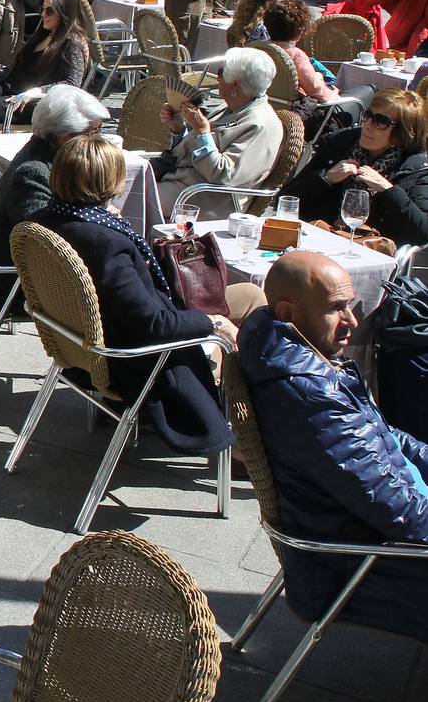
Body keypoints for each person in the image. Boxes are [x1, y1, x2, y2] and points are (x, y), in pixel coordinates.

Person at [238, 251, 428, 642]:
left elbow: (384, 436)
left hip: (370, 534)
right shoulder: (311, 395)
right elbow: (398, 513)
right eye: (336, 308)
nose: (353, 321)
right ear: (288, 313)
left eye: (350, 305)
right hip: (356, 566)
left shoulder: (298, 359)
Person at [40, 135, 256, 455]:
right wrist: (213, 323)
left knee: (250, 295)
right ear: (112, 181)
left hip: (83, 342)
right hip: (140, 360)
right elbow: (154, 325)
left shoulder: (49, 220)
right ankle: (248, 440)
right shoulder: (105, 242)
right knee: (250, 325)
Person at [0, 85, 110, 308]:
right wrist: (101, 216)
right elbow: (44, 243)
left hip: (25, 270)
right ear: (66, 137)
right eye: (93, 131)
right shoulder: (33, 173)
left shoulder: (48, 154)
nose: (99, 138)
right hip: (13, 284)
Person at [279, 89, 428, 246]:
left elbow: (423, 234)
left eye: (380, 121)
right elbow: (286, 202)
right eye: (368, 114)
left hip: (369, 251)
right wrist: (325, 178)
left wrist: (388, 190)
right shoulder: (340, 144)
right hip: (318, 239)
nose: (367, 125)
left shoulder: (416, 168)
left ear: (401, 133)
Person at [150, 46, 283, 216]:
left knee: (127, 196)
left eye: (221, 72)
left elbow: (224, 175)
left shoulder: (261, 125)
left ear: (235, 83)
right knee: (121, 184)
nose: (217, 77)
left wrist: (201, 131)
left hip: (203, 198)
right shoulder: (231, 107)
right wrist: (179, 129)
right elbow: (198, 147)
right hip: (180, 181)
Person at [0, 0, 88, 125]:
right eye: (43, 9)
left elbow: (72, 83)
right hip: (14, 84)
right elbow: (20, 66)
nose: (43, 14)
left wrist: (38, 91)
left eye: (49, 11)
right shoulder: (43, 34)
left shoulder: (72, 43)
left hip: (37, 100)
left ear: (64, 13)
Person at [265, 0, 374, 133]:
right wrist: (334, 94)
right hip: (297, 118)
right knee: (370, 90)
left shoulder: (260, 48)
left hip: (270, 109)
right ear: (300, 31)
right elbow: (317, 92)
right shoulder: (294, 55)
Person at [226, 0, 290, 47]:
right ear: (270, 3)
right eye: (286, 3)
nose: (288, 6)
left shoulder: (241, 23)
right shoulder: (263, 30)